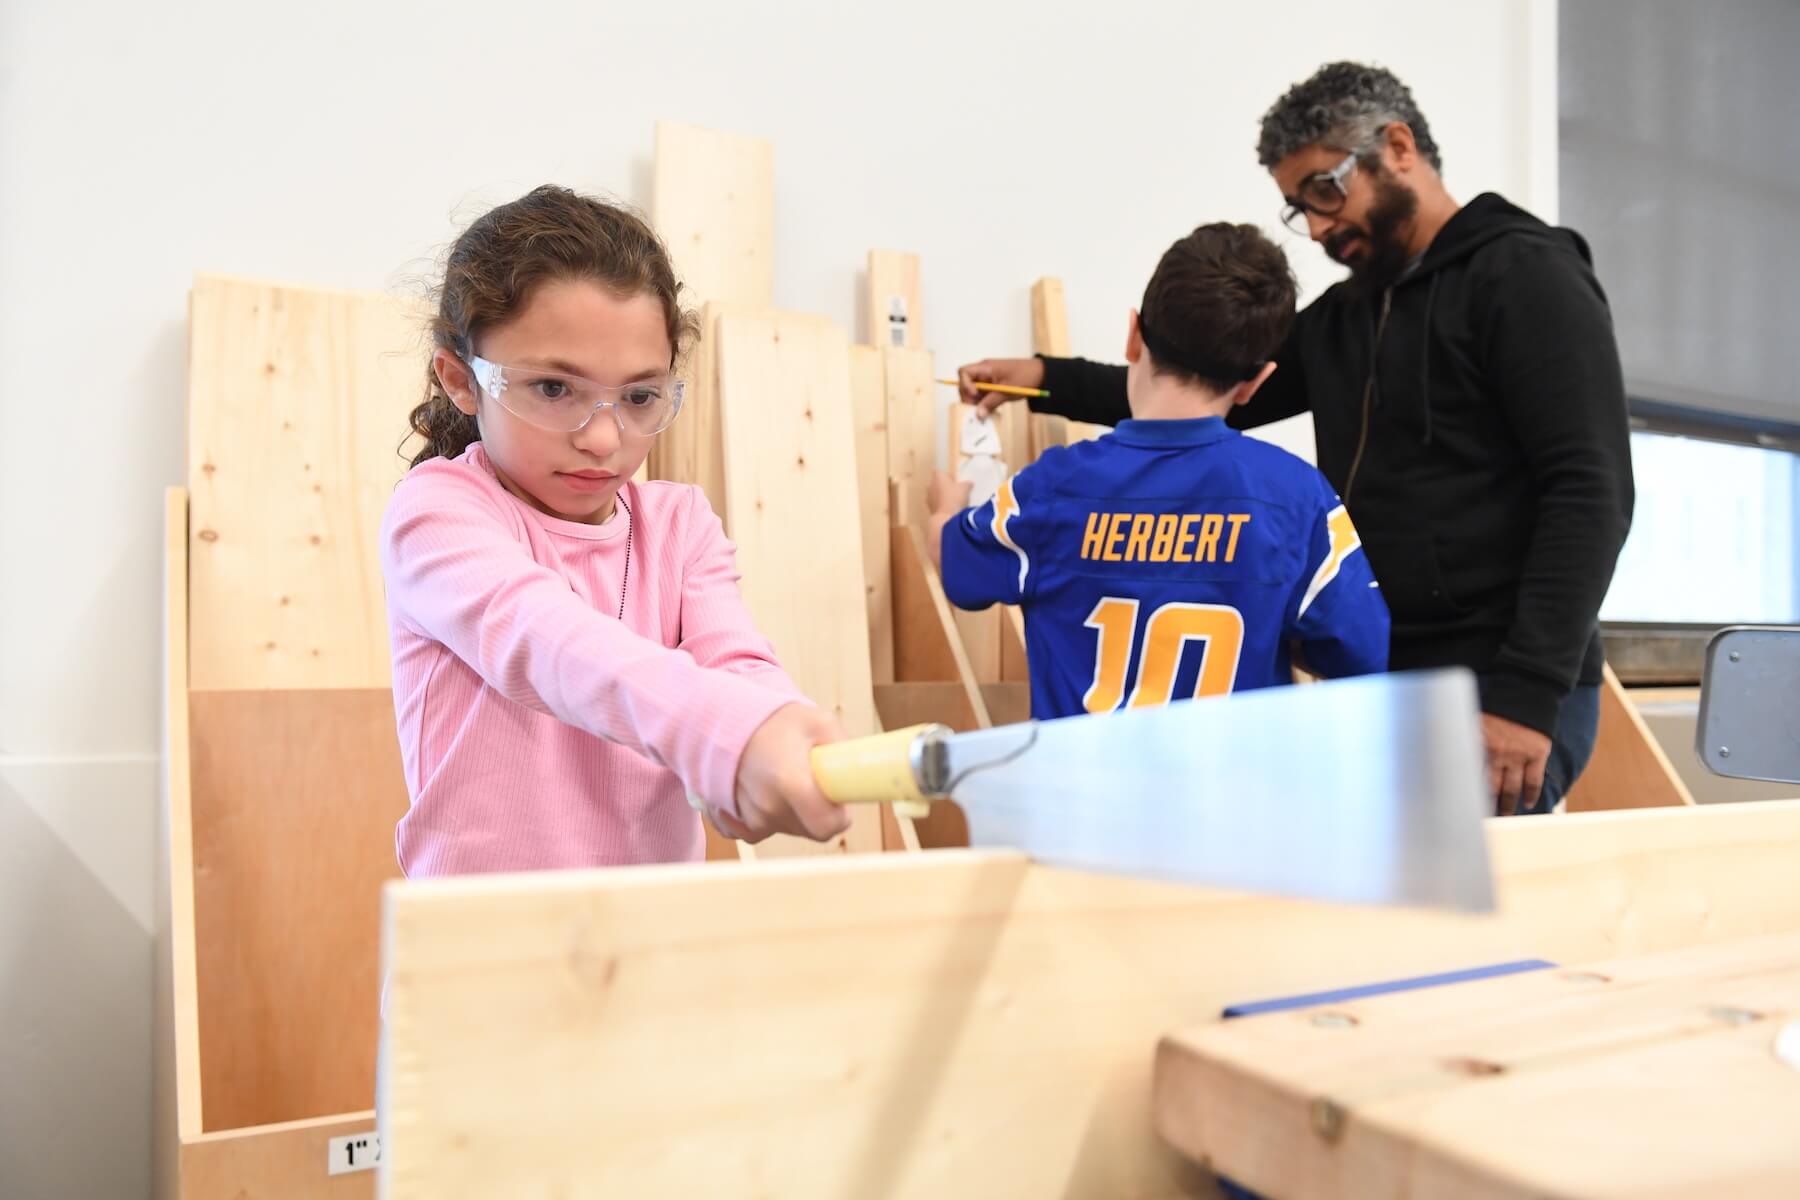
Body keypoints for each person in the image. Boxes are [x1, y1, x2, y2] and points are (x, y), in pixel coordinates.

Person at [958, 63, 1633, 815]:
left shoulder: (1527, 277)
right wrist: (1045, 376)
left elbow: (1591, 491)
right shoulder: (1347, 317)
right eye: (1296, 207)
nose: (1314, 225)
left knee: (1445, 925)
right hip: (1384, 683)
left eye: (1324, 189)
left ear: (1398, 147)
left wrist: (1526, 694)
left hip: (1498, 685)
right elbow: (1201, 385)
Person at [379, 184, 848, 876]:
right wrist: (728, 737)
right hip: (483, 959)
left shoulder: (680, 526)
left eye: (638, 396)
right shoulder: (440, 514)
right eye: (552, 389)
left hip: (650, 946)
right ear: (461, 381)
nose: (604, 438)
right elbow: (554, 644)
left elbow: (739, 663)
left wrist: (779, 731)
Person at [929, 222, 1387, 721]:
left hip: (1077, 799)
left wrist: (946, 507)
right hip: (1227, 800)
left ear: (1133, 336)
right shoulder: (1297, 501)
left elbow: (955, 564)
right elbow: (1366, 655)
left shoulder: (1051, 489)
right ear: (1256, 381)